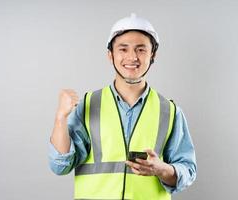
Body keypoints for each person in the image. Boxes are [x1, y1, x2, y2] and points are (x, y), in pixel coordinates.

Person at [49, 13, 197, 200]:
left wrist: (163, 169)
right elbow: (60, 166)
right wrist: (60, 118)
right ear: (110, 55)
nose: (132, 57)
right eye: (123, 49)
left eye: (141, 49)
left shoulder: (170, 112)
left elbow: (188, 171)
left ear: (153, 55)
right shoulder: (88, 105)